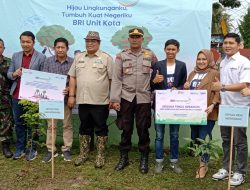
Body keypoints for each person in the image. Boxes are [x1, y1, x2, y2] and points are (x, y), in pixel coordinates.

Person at [110, 28, 157, 174]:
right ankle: (124, 157)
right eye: (132, 37)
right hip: (126, 98)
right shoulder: (121, 56)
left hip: (144, 98)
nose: (135, 39)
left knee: (143, 129)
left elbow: (157, 73)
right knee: (126, 128)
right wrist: (115, 99)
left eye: (138, 37)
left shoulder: (150, 55)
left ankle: (144, 158)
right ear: (129, 39)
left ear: (142, 39)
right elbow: (117, 79)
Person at [68, 31, 113, 168]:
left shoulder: (106, 58)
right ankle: (83, 154)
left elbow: (112, 80)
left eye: (93, 41)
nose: (90, 43)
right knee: (84, 127)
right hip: (83, 100)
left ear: (98, 43)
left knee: (100, 128)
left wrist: (113, 98)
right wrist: (71, 95)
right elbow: (73, 77)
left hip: (100, 101)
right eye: (88, 41)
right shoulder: (79, 57)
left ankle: (100, 155)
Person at [211, 33, 250, 187]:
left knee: (239, 142)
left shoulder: (244, 62)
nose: (227, 45)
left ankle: (240, 172)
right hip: (225, 106)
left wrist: (222, 86)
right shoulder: (223, 62)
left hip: (240, 107)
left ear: (238, 45)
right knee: (227, 140)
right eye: (225, 43)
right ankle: (226, 168)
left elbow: (244, 85)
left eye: (231, 43)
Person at [7, 31, 46, 161]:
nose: (25, 44)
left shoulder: (41, 57)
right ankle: (20, 148)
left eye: (28, 42)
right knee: (19, 123)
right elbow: (9, 73)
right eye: (23, 41)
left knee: (32, 123)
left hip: (33, 96)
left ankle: (32, 149)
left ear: (33, 42)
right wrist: (14, 74)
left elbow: (44, 77)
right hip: (17, 95)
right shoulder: (16, 56)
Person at [150, 39, 187, 174]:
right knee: (159, 135)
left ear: (178, 50)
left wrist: (179, 88)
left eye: (173, 49)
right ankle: (159, 161)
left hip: (175, 107)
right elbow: (151, 86)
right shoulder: (158, 65)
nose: (170, 51)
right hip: (160, 106)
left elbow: (184, 85)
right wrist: (154, 80)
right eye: (168, 49)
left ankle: (174, 161)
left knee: (175, 135)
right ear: (164, 50)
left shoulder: (182, 66)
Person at [183, 49, 220, 178]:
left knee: (204, 139)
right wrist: (185, 88)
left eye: (204, 59)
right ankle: (202, 162)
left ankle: (203, 166)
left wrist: (213, 104)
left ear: (209, 60)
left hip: (208, 112)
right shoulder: (192, 73)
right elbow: (189, 95)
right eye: (199, 59)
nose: (201, 61)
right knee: (196, 138)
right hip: (193, 113)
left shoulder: (214, 73)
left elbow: (218, 91)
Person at [42, 37, 74, 162]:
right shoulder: (48, 62)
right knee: (51, 126)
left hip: (66, 99)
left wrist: (69, 90)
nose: (60, 50)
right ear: (54, 48)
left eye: (63, 47)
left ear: (67, 49)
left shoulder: (72, 62)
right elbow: (44, 79)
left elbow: (75, 80)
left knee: (67, 125)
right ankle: (51, 150)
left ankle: (66, 149)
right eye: (58, 47)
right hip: (51, 100)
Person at [0, 38, 14, 158]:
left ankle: (5, 145)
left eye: (0, 47)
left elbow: (13, 79)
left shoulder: (9, 63)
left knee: (6, 122)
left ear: (3, 48)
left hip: (4, 97)